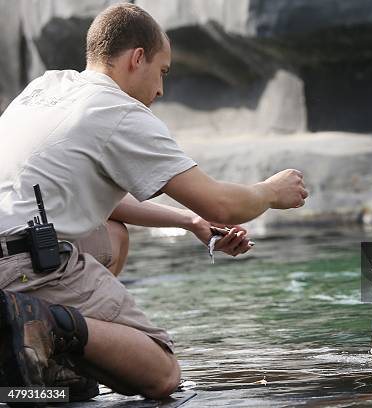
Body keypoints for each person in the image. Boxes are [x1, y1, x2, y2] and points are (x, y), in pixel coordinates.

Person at [0, 2, 308, 401]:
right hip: (26, 269)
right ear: (137, 58)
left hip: (13, 250)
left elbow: (85, 201)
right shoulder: (118, 112)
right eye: (162, 72)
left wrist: (188, 222)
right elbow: (221, 204)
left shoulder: (46, 87)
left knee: (113, 235)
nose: (161, 90)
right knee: (161, 375)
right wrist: (270, 191)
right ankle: (46, 323)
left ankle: (52, 363)